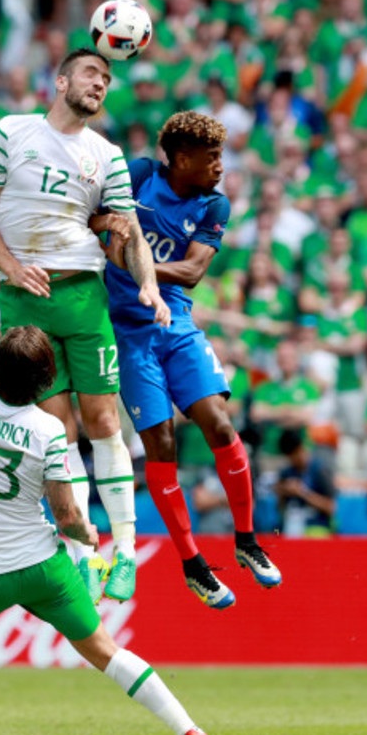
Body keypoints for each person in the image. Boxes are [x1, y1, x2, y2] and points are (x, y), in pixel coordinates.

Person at [0, 325, 227, 735]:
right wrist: (90, 538)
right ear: (45, 380)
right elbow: (67, 518)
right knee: (106, 650)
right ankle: (193, 734)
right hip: (43, 566)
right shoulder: (49, 429)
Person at [0, 48, 170, 605]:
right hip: (24, 299)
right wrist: (9, 266)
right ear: (60, 81)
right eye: (90, 74)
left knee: (105, 420)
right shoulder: (11, 132)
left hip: (83, 294)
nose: (99, 83)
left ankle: (124, 552)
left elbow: (127, 231)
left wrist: (148, 284)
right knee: (57, 431)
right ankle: (84, 553)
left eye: (106, 79)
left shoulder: (107, 155)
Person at [103, 111, 281, 611]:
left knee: (220, 426)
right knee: (160, 443)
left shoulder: (213, 203)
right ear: (181, 159)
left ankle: (245, 541)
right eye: (212, 157)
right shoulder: (137, 175)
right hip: (127, 333)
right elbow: (96, 217)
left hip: (175, 324)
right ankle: (192, 564)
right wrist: (107, 235)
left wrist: (136, 263)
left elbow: (193, 270)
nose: (220, 166)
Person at [274, 429, 336, 538]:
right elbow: (279, 509)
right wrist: (283, 491)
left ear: (301, 448)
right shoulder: (286, 473)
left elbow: (331, 507)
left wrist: (302, 492)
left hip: (317, 527)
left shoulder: (320, 470)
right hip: (291, 527)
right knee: (277, 532)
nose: (294, 460)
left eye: (295, 454)